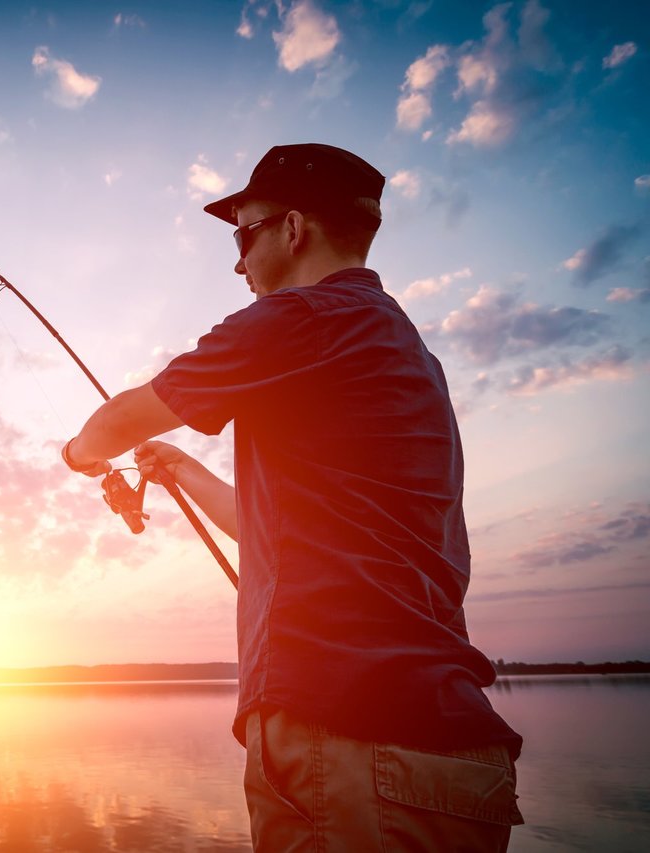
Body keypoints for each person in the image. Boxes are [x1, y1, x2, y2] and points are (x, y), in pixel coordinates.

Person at [60, 143, 524, 851]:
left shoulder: (302, 319)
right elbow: (280, 528)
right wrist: (182, 469)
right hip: (453, 762)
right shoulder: (404, 350)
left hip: (348, 745)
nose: (237, 261)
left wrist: (79, 458)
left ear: (294, 229)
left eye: (243, 235)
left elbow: (117, 421)